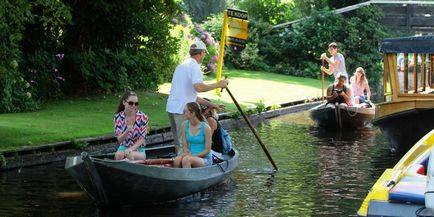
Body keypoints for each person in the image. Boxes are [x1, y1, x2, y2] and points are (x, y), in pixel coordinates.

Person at [166, 38, 228, 155]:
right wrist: (218, 84)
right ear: (200, 53)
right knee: (185, 143)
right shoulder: (194, 66)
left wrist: (212, 105)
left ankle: (186, 164)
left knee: (178, 143)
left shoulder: (182, 66)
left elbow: (192, 96)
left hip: (171, 108)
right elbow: (198, 87)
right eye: (204, 53)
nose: (204, 56)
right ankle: (185, 169)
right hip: (183, 111)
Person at [173, 102, 213, 168]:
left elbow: (207, 150)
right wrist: (186, 153)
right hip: (190, 155)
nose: (183, 113)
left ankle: (187, 177)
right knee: (177, 160)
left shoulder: (206, 128)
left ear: (193, 113)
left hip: (204, 158)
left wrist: (192, 156)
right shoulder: (184, 125)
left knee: (186, 160)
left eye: (185, 111)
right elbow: (184, 145)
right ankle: (178, 178)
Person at [113, 91, 148, 160]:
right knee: (118, 155)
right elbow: (120, 140)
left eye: (136, 103)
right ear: (124, 102)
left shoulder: (143, 117)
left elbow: (142, 139)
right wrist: (127, 131)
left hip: (139, 149)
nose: (133, 106)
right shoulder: (118, 117)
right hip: (124, 146)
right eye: (131, 103)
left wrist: (130, 149)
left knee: (130, 155)